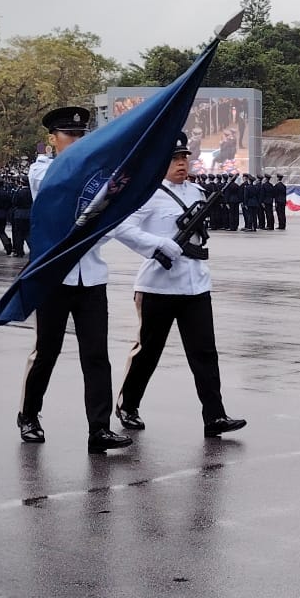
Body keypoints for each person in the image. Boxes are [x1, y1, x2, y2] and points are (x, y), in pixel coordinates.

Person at [111, 134, 248, 436]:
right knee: (148, 352)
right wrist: (157, 244)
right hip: (157, 287)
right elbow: (121, 228)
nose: (181, 163)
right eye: (174, 158)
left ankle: (215, 416)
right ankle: (128, 405)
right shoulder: (147, 195)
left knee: (205, 353)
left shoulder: (197, 192)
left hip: (195, 286)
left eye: (184, 157)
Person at [19, 106, 133, 454]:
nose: (77, 141)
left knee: (96, 354)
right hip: (54, 277)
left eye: (82, 136)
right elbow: (62, 186)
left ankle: (99, 428)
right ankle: (29, 414)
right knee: (47, 351)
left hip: (91, 277)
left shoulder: (97, 173)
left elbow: (108, 218)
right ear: (52, 139)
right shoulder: (41, 170)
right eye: (69, 135)